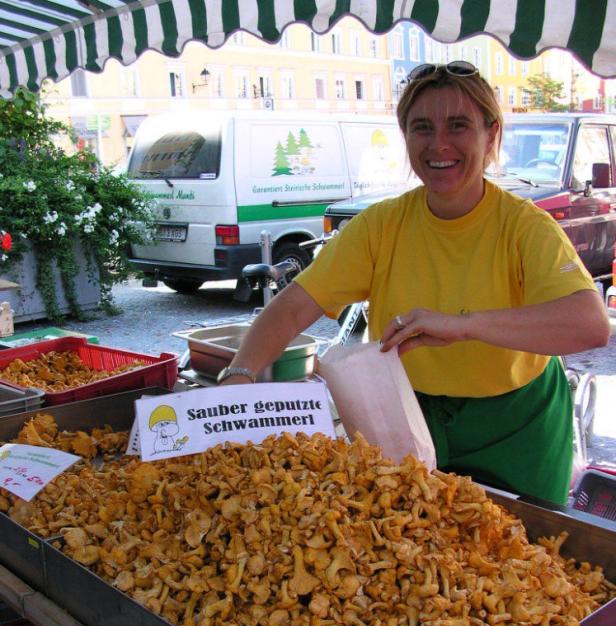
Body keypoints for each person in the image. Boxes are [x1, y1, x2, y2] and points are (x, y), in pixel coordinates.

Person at [218, 61, 610, 505]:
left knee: (518, 558)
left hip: (517, 423)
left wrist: (464, 325)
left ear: (491, 134)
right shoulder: (381, 225)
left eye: (458, 125)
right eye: (421, 127)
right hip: (405, 413)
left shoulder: (526, 227)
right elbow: (291, 307)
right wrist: (239, 376)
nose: (438, 144)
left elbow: (589, 325)